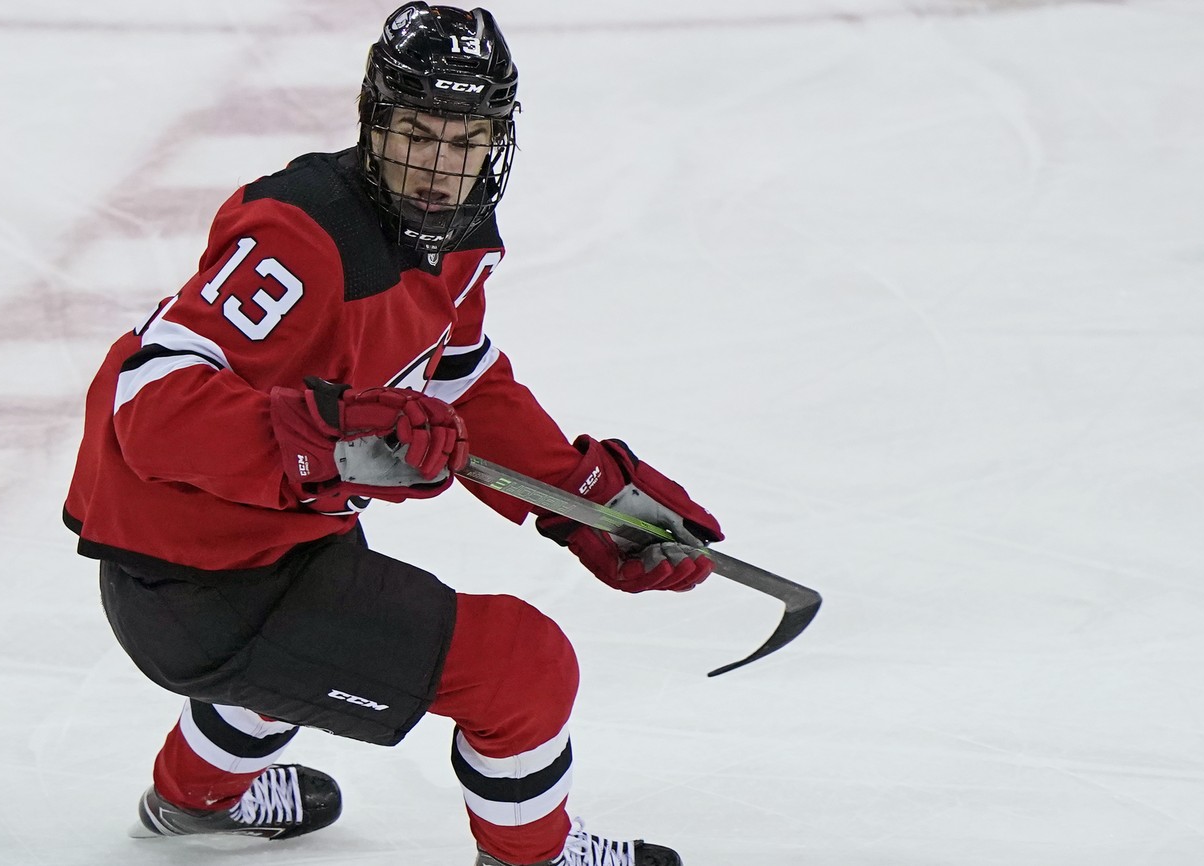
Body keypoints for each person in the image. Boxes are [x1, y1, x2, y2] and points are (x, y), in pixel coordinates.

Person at [63, 4, 722, 865]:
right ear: (374, 123)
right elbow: (151, 403)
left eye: (465, 140)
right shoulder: (300, 234)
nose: (437, 168)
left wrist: (590, 499)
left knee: (301, 660)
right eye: (417, 132)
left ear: (498, 144)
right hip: (194, 580)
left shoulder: (456, 241)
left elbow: (466, 385)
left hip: (276, 541)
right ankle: (533, 856)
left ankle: (194, 800)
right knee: (522, 667)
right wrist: (325, 435)